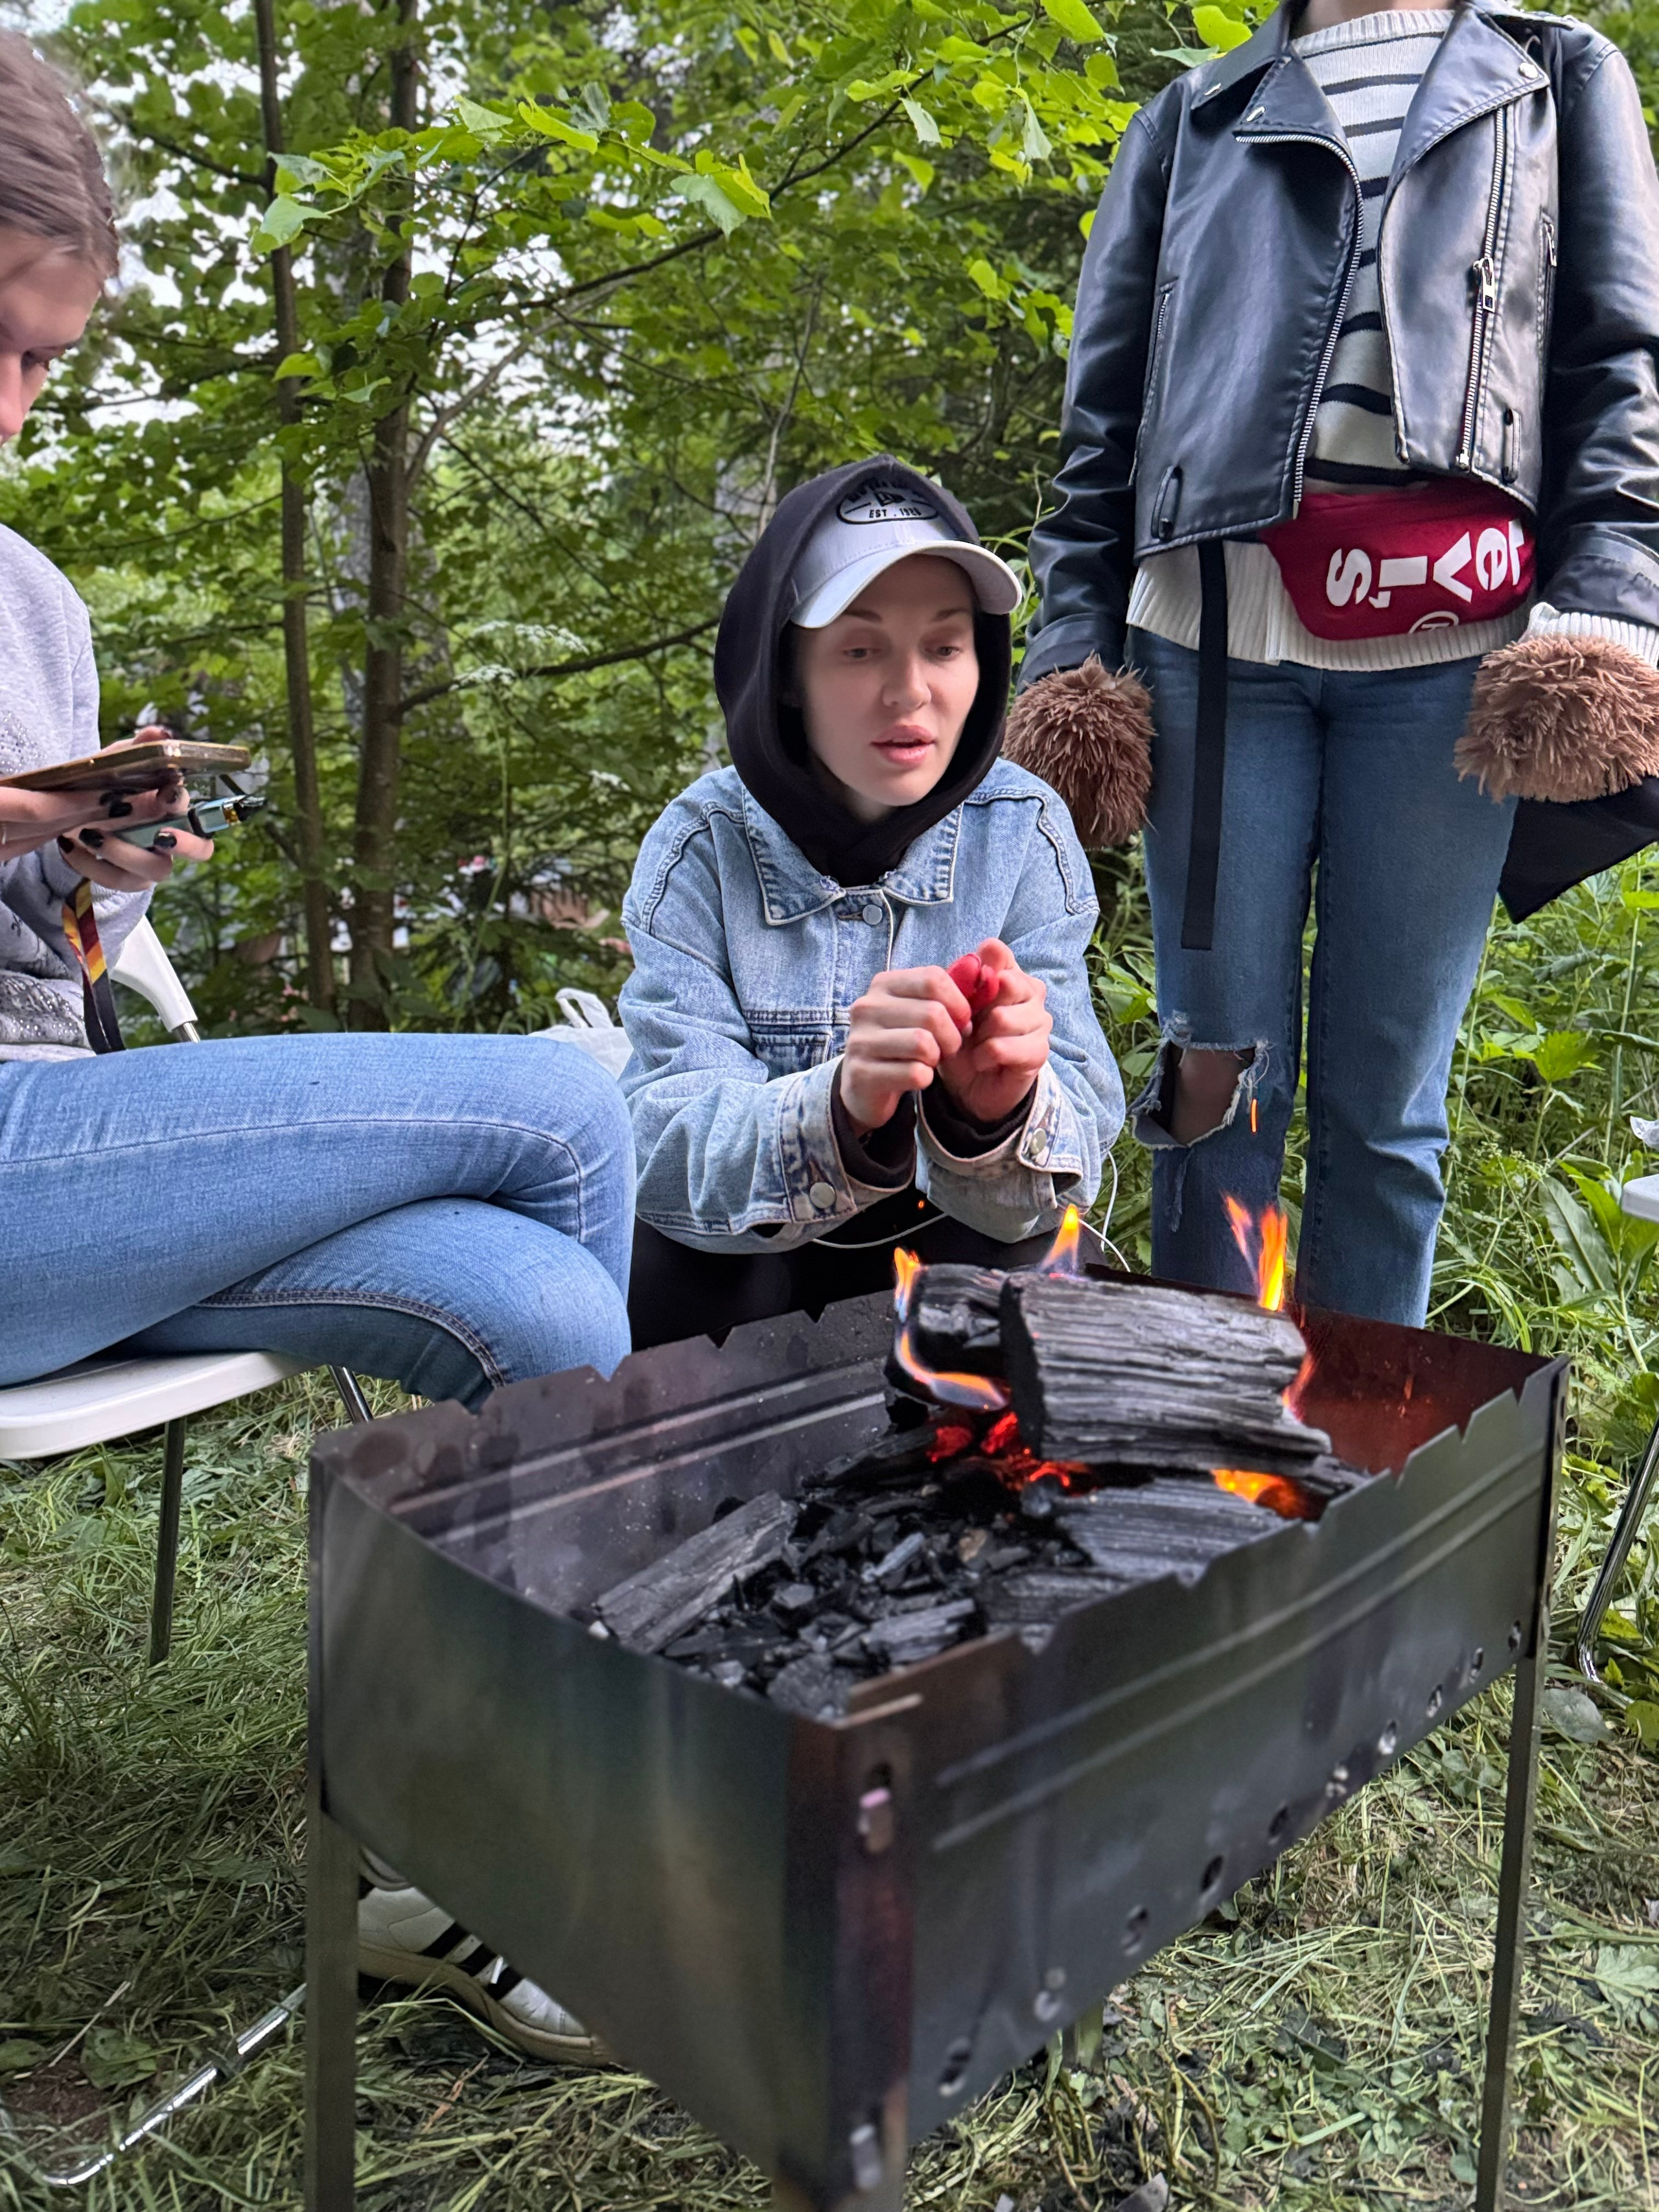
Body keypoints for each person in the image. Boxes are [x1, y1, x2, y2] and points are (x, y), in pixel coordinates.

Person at [0, 32, 626, 2057]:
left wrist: (104, 865)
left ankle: (461, 1864)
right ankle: (609, 1805)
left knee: (535, 1303)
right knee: (564, 1092)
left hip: (53, 1147)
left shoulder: (32, 596)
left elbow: (57, 970)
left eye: (43, 365)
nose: (11, 408)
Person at [1004, 0, 1659, 1327]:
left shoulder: (1553, 74)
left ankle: (1364, 1469)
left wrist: (1604, 600)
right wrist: (1068, 649)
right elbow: (1103, 420)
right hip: (1210, 649)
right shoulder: (1190, 115)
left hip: (1452, 666)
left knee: (1385, 1102)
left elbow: (1617, 359)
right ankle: (1186, 1445)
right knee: (1208, 1075)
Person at [620, 458, 1125, 1347]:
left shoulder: (1024, 833)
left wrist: (996, 1113)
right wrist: (843, 1109)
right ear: (785, 672)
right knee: (661, 1259)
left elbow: (1080, 1136)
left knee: (1040, 1255)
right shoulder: (699, 849)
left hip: (954, 1253)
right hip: (745, 1275)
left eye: (944, 644)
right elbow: (666, 1144)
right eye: (859, 649)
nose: (911, 691)